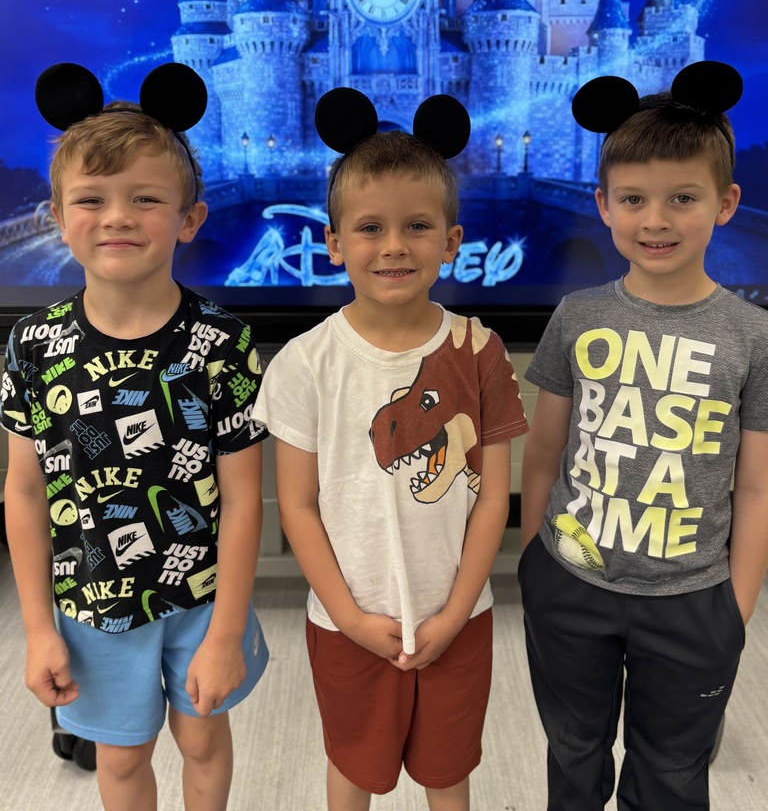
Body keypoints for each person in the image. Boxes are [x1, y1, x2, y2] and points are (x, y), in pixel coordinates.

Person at [0, 62, 269, 811]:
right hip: (92, 604)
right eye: (92, 200)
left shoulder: (223, 343)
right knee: (120, 764)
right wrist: (37, 629)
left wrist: (223, 634)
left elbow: (246, 502)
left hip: (203, 599)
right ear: (59, 217)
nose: (117, 216)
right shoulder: (33, 345)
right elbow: (22, 492)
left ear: (189, 218)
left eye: (145, 199)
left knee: (205, 744)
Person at [252, 88, 528, 811]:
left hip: (458, 620)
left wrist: (454, 611)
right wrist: (348, 616)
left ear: (452, 240)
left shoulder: (480, 350)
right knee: (354, 768)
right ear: (335, 243)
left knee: (446, 774)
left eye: (417, 225)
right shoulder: (305, 363)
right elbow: (300, 506)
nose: (395, 246)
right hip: (347, 624)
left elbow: (493, 495)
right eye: (370, 228)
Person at [519, 60, 768, 811]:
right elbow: (542, 454)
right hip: (570, 585)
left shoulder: (751, 334)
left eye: (681, 199)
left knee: (671, 774)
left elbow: (755, 485)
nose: (655, 220)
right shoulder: (578, 314)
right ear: (603, 204)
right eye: (634, 199)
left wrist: (738, 605)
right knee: (573, 754)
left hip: (693, 600)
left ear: (725, 203)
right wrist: (538, 560)